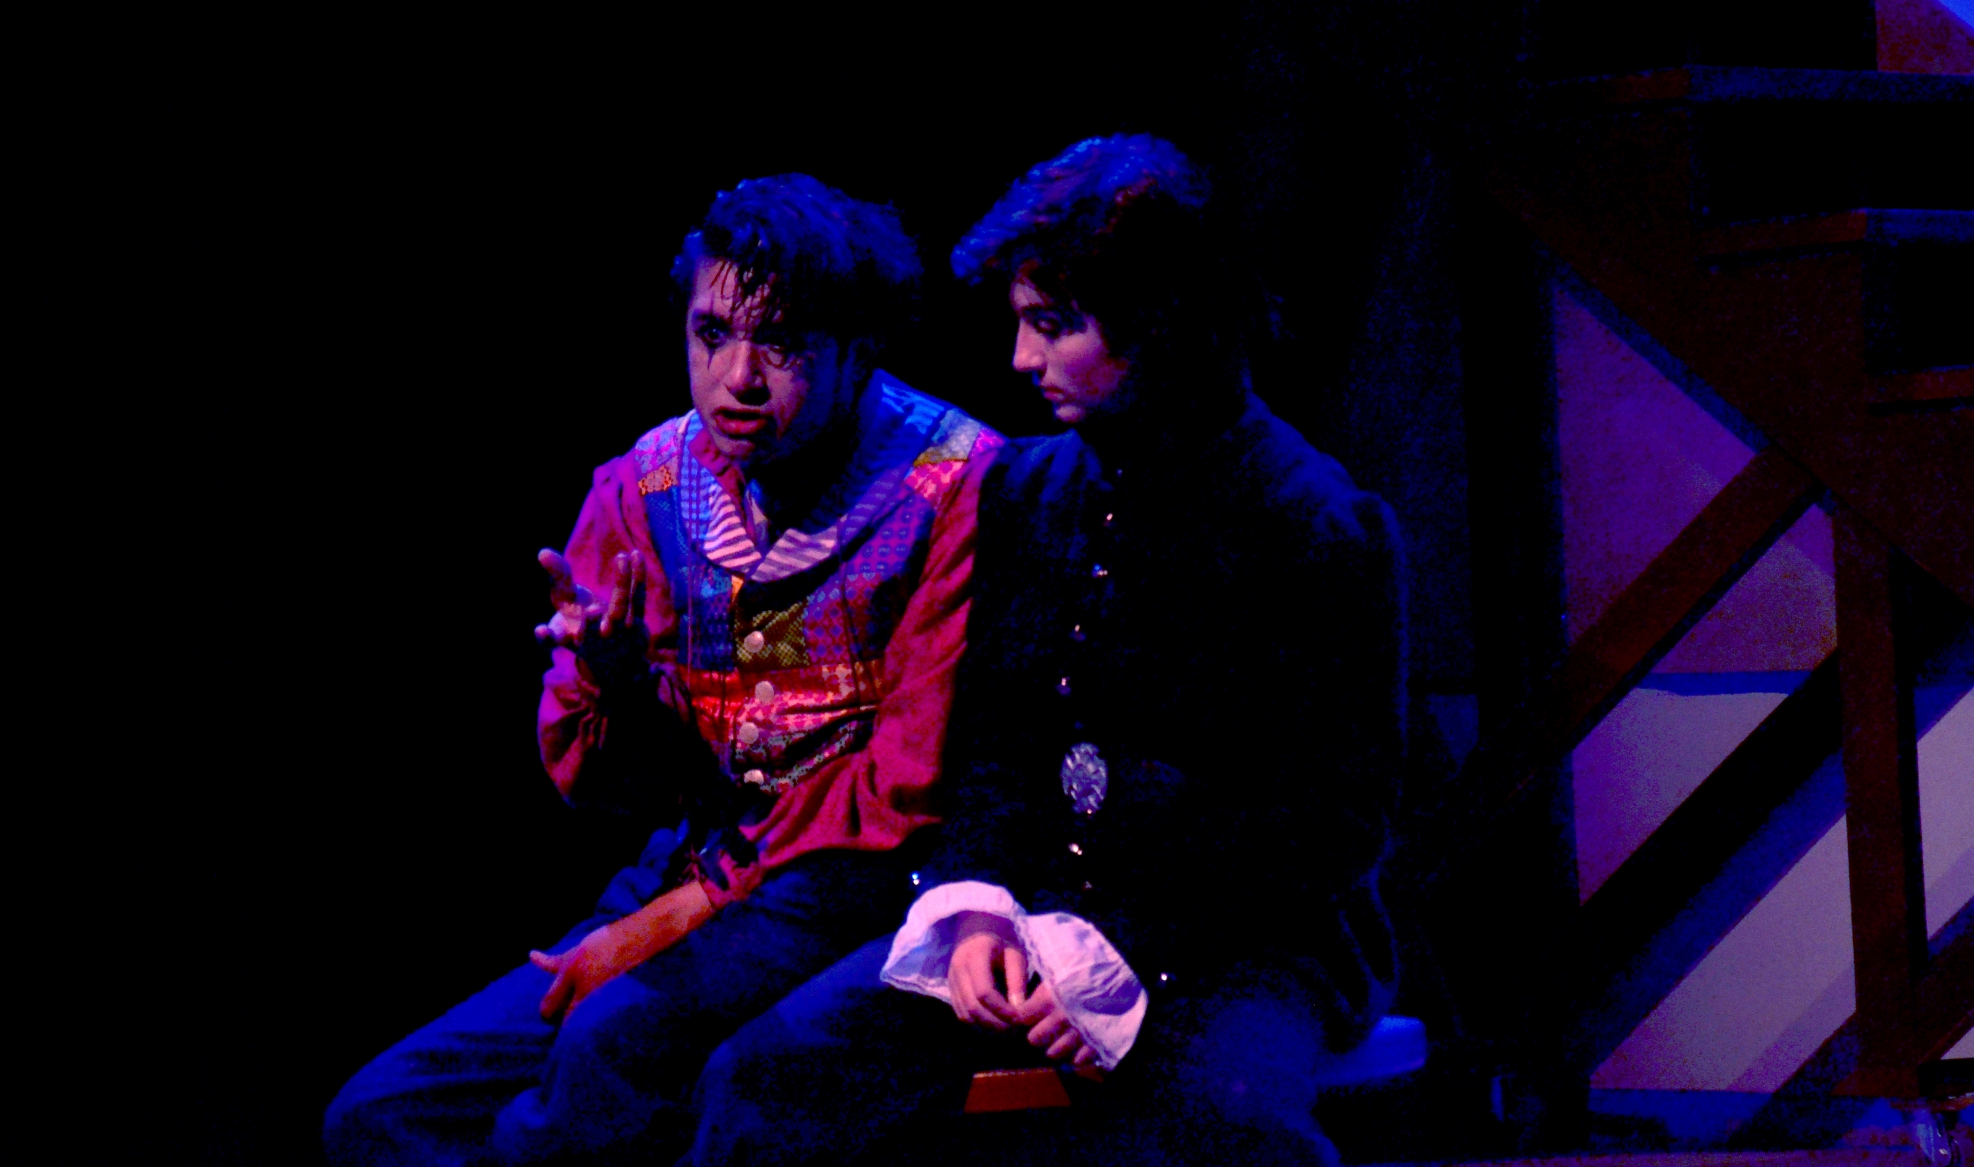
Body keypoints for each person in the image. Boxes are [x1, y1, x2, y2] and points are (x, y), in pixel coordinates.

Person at [687, 135, 1409, 1166]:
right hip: (1034, 915)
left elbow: (1329, 824)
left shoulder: (1312, 519)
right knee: (768, 1074)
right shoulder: (1025, 490)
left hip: (1245, 934)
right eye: (1023, 322)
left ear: (1158, 320)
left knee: (1224, 1118)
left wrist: (1134, 952)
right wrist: (975, 905)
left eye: (1053, 325)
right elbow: (991, 745)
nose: (1022, 359)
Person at [324, 173, 1002, 1166]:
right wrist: (615, 682)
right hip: (698, 865)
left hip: (854, 891)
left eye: (781, 344)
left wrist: (685, 911)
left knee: (605, 1050)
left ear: (857, 350)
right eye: (712, 334)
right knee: (383, 1114)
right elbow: (609, 791)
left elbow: (910, 781)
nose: (737, 377)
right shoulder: (642, 491)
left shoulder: (952, 487)